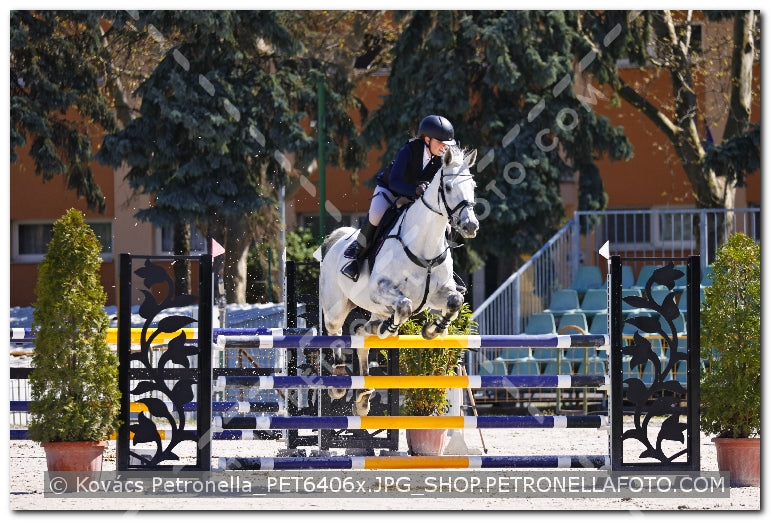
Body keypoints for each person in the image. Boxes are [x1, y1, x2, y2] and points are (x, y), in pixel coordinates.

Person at [341, 114, 456, 281]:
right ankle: (356, 258)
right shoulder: (408, 151)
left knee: (445, 227)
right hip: (390, 189)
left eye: (447, 144)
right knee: (376, 215)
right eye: (440, 142)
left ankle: (448, 275)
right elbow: (395, 182)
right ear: (427, 139)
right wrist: (415, 189)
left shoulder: (440, 159)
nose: (444, 147)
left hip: (415, 196)